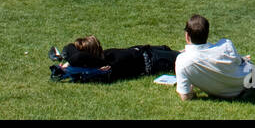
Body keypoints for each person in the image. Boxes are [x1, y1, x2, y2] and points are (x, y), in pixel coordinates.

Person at [175, 15, 255, 100]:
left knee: (247, 67)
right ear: (207, 34)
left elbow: (185, 97)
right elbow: (238, 62)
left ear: (187, 36)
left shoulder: (181, 61)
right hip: (242, 88)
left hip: (217, 93)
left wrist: (192, 89)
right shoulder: (225, 45)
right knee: (250, 67)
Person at [48, 35, 179, 82]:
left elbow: (69, 48)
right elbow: (76, 55)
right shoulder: (105, 64)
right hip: (154, 59)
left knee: (181, 53)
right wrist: (69, 62)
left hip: (147, 51)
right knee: (182, 57)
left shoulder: (102, 59)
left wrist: (66, 62)